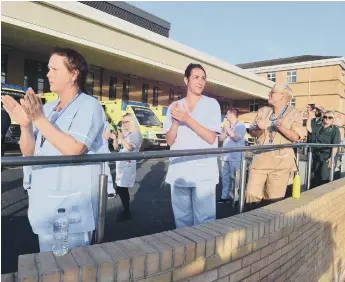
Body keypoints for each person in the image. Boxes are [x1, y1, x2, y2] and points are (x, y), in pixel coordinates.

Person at [1, 47, 105, 252]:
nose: (48, 74)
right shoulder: (48, 108)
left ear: (74, 74)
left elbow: (75, 148)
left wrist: (38, 119)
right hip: (45, 200)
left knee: (69, 266)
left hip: (70, 206)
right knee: (48, 264)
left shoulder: (89, 106)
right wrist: (25, 125)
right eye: (48, 69)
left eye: (54, 69)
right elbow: (29, 152)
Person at [163, 63, 221, 228]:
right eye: (196, 77)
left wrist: (187, 119)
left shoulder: (212, 104)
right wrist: (175, 123)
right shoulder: (174, 107)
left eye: (203, 78)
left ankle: (205, 254)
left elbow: (211, 138)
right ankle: (185, 253)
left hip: (204, 173)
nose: (200, 81)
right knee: (181, 221)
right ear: (186, 80)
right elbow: (169, 141)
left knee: (205, 222)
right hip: (179, 171)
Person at [246, 84, 306, 210]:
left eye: (272, 92)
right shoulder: (263, 111)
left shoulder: (294, 113)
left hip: (280, 163)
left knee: (273, 201)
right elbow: (252, 131)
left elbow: (296, 137)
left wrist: (281, 127)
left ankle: (268, 228)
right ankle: (251, 224)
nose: (269, 94)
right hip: (260, 161)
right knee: (251, 195)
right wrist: (258, 128)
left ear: (283, 96)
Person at [112, 113, 142, 221]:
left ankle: (126, 212)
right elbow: (116, 148)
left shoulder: (135, 134)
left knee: (122, 188)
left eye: (126, 122)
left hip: (128, 165)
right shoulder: (125, 134)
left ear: (132, 122)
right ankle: (126, 210)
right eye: (122, 122)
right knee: (120, 187)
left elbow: (130, 148)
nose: (124, 124)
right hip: (120, 164)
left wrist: (121, 138)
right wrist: (115, 139)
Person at [217, 108, 246, 204]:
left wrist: (228, 129)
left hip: (236, 156)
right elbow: (221, 139)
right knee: (225, 178)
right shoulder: (226, 125)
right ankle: (224, 197)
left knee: (235, 178)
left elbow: (236, 138)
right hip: (225, 156)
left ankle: (236, 198)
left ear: (232, 115)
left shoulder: (240, 125)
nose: (225, 116)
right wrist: (225, 130)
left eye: (227, 114)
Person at [310, 110, 341, 188]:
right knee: (315, 179)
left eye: (330, 117)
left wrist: (332, 158)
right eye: (325, 117)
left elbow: (335, 145)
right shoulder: (319, 128)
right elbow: (308, 128)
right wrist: (309, 116)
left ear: (333, 120)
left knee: (324, 179)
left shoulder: (335, 130)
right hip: (317, 156)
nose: (327, 119)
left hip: (327, 157)